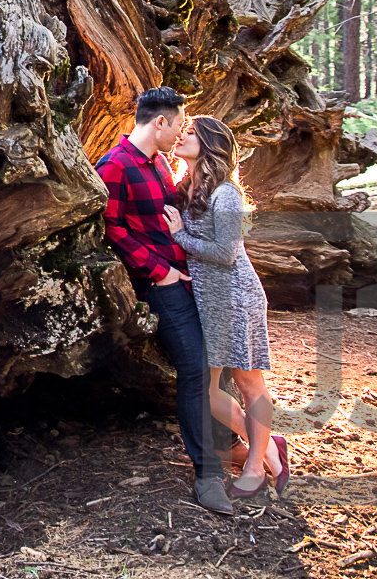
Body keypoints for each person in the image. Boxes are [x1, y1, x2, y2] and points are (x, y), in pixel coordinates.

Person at [98, 86, 232, 515]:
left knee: (215, 364)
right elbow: (111, 229)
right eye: (178, 125)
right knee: (193, 368)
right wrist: (160, 271)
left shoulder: (156, 164)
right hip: (160, 285)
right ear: (160, 122)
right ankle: (208, 475)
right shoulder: (114, 166)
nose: (179, 134)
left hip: (189, 278)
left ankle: (232, 447)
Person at [165, 115, 291, 501]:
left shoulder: (226, 194)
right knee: (204, 388)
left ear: (208, 144)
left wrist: (179, 236)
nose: (180, 136)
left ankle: (255, 466)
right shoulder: (186, 187)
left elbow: (226, 252)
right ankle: (271, 447)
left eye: (189, 132)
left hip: (237, 299)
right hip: (208, 301)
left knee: (249, 384)